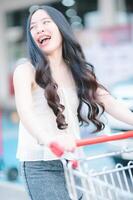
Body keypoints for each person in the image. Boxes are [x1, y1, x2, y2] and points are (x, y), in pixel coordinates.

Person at [13, 5, 133, 200]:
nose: (39, 29)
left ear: (61, 28)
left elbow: (111, 103)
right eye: (33, 27)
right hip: (40, 165)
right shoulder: (25, 71)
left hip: (72, 161)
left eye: (45, 22)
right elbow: (25, 112)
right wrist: (49, 139)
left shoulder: (77, 72)